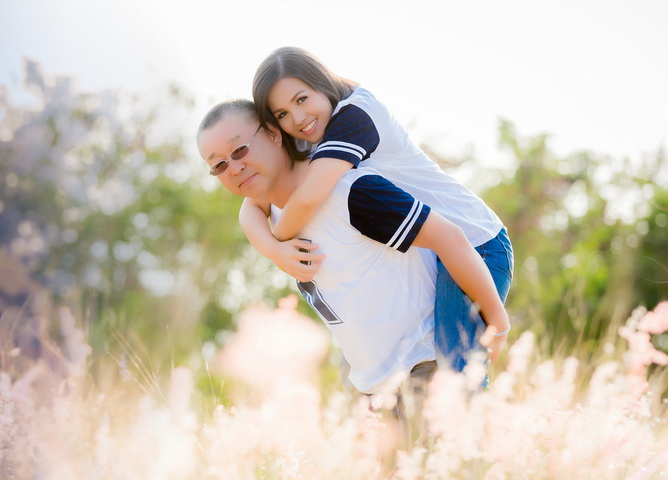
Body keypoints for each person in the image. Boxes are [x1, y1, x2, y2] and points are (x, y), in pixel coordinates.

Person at [198, 99, 508, 395]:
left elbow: (449, 238)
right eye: (219, 166)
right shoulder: (273, 215)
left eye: (239, 150)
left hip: (427, 370)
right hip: (373, 387)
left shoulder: (348, 191)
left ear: (273, 134)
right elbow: (250, 208)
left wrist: (497, 323)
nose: (234, 168)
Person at [244, 46, 513, 371]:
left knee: (459, 372)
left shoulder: (354, 117)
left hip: (474, 240)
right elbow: (251, 205)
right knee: (448, 376)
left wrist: (280, 245)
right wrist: (272, 249)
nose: (297, 119)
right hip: (439, 248)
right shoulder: (313, 129)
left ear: (322, 83)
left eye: (301, 99)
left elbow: (308, 198)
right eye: (282, 114)